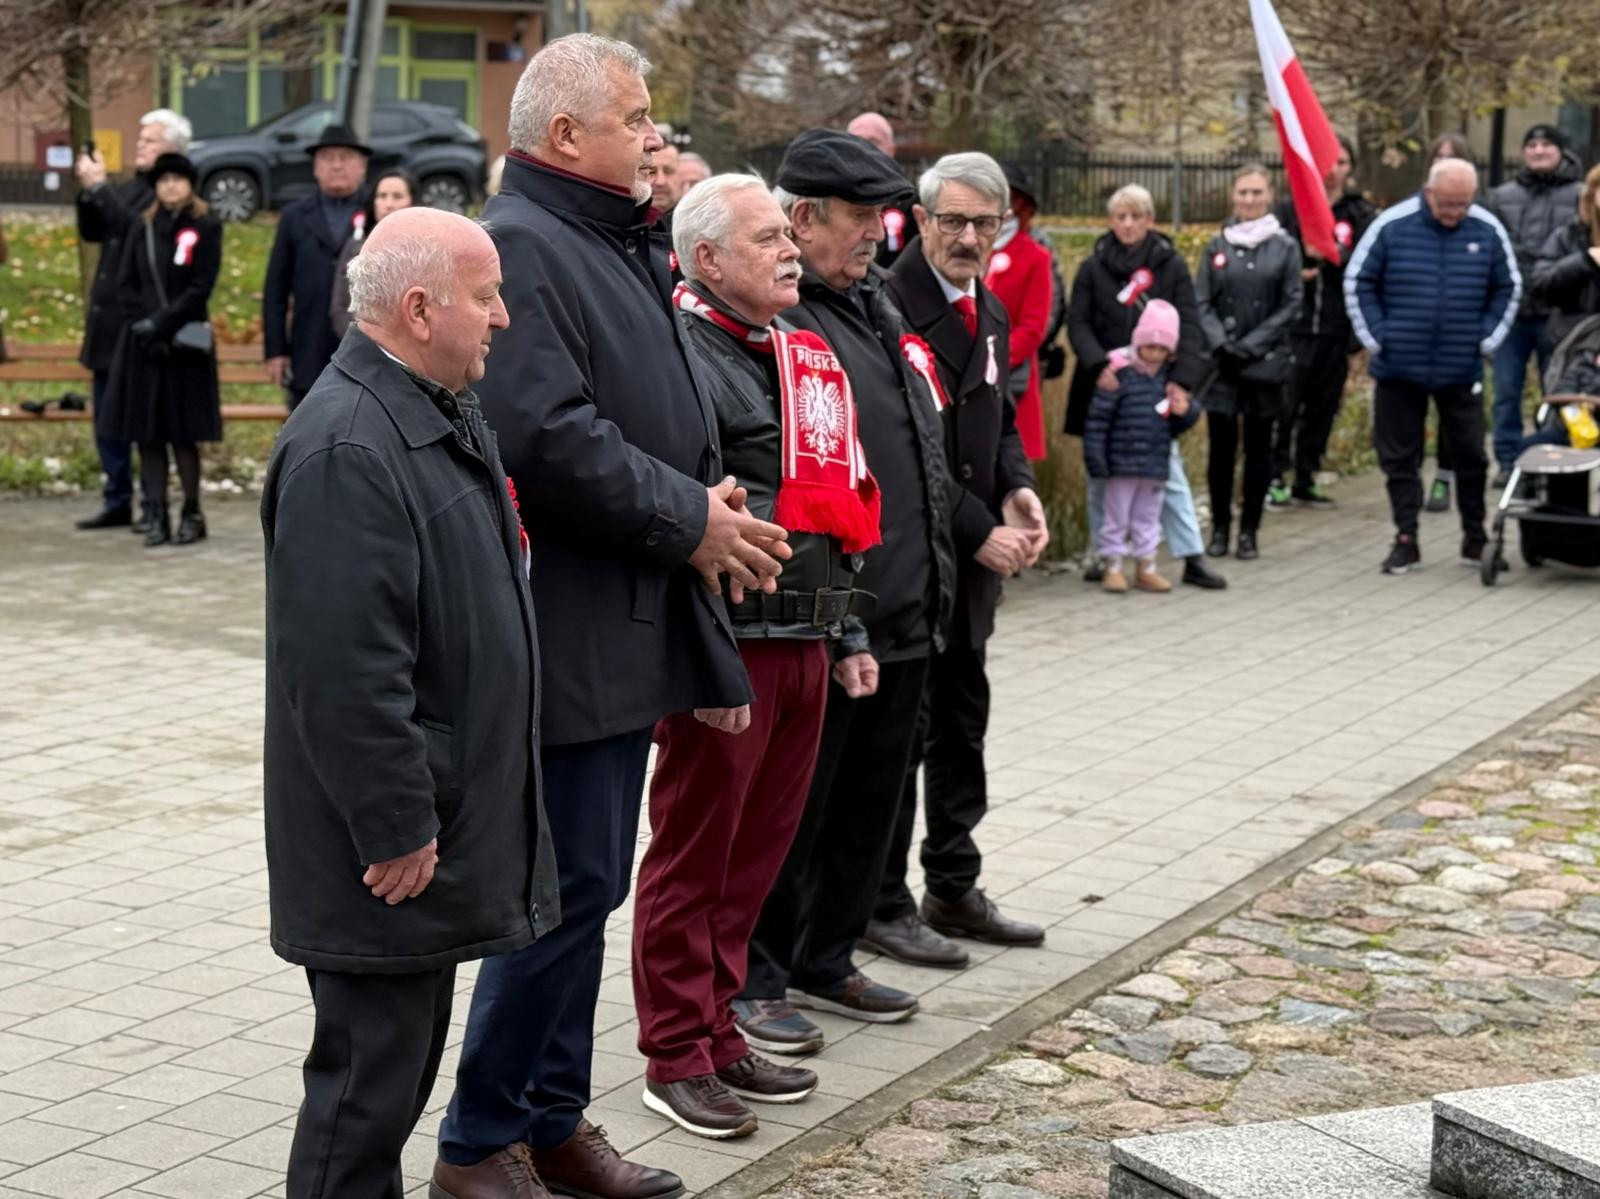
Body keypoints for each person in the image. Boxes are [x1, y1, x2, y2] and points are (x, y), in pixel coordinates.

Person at [434, 36, 786, 1199]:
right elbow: (544, 433)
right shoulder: (527, 242)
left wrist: (701, 490)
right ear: (566, 133)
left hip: (619, 617)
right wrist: (687, 515)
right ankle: (479, 1143)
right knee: (561, 894)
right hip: (568, 624)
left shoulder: (602, 235)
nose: (653, 136)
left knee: (586, 888)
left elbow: (634, 405)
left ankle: (550, 1122)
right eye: (634, 118)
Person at [261, 207, 557, 1199]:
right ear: (421, 309)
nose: (503, 317)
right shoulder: (349, 444)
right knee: (362, 1098)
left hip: (430, 825)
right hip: (385, 852)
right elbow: (343, 669)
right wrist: (396, 821)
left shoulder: (429, 409)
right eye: (486, 296)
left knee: (390, 1082)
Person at [633, 174, 880, 1139]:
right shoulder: (677, 352)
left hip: (804, 634)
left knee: (757, 857)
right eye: (767, 237)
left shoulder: (794, 346)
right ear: (705, 259)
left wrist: (846, 631)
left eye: (788, 233)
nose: (790, 250)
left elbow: (833, 505)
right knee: (696, 853)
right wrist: (705, 661)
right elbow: (682, 517)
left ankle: (720, 1024)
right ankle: (674, 1051)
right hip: (729, 643)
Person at [741, 128, 958, 1041]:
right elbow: (804, 486)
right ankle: (758, 977)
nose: (879, 231)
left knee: (872, 805)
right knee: (797, 810)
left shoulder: (875, 301)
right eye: (861, 216)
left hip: (905, 606)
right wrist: (837, 624)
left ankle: (828, 956)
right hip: (832, 618)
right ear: (803, 217)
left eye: (882, 215)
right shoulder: (789, 322)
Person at [871, 151, 1049, 962]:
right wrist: (979, 526)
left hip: (969, 573)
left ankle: (952, 883)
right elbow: (907, 449)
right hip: (914, 563)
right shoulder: (888, 306)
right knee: (898, 742)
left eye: (985, 224)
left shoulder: (989, 306)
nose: (969, 238)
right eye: (953, 221)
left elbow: (997, 417)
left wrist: (1020, 489)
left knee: (961, 730)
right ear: (921, 219)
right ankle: (881, 902)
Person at [1345, 157, 1521, 574]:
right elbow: (1358, 281)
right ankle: (1406, 538)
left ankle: (1475, 539)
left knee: (1471, 456)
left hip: (1460, 365)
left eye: (1462, 204)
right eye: (1446, 204)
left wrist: (1485, 339)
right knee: (1399, 458)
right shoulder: (1392, 225)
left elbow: (1509, 286)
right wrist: (1378, 338)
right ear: (1429, 193)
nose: (1454, 212)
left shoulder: (1487, 229)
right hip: (1398, 365)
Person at [1066, 184, 1226, 590]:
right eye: (1120, 217)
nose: (1128, 224)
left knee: (1167, 473)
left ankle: (1190, 555)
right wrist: (1098, 364)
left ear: (1150, 220)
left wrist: (1181, 381)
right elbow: (1078, 322)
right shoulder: (1093, 266)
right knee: (1101, 475)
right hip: (1106, 384)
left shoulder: (1170, 265)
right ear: (1110, 221)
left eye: (1136, 217)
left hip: (1154, 386)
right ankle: (1106, 556)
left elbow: (1189, 323)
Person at [72, 108, 190, 532]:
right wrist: (89, 193)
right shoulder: (128, 188)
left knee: (138, 417)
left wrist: (99, 188)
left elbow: (131, 226)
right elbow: (95, 230)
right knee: (106, 417)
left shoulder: (167, 196)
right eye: (139, 140)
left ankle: (149, 502)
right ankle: (115, 496)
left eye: (149, 140)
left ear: (173, 149)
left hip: (137, 326)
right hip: (106, 323)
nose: (139, 146)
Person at [98, 153, 221, 548]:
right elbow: (125, 281)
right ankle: (155, 511)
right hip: (145, 347)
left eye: (177, 179)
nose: (170, 185)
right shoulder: (143, 225)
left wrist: (162, 322)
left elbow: (201, 286)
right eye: (164, 179)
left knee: (183, 435)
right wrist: (141, 322)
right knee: (148, 434)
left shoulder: (205, 225)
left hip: (184, 345)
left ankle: (191, 512)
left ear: (190, 184)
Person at [1195, 164, 1303, 561]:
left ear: (1269, 196)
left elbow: (1291, 304)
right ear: (1233, 196)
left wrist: (1253, 345)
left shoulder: (1285, 247)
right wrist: (1221, 343)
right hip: (1224, 363)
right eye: (1243, 192)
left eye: (1257, 192)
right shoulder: (1217, 245)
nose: (1250, 200)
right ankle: (1220, 529)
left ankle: (1249, 532)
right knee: (1221, 452)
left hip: (1264, 362)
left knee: (1259, 450)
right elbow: (1201, 301)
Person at [1270, 133, 1377, 508]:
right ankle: (1275, 475)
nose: (1333, 171)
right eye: (1327, 161)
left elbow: (1367, 267)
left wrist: (1333, 255)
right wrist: (1297, 266)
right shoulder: (1289, 210)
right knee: (1286, 405)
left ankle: (1307, 475)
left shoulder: (1359, 214)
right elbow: (1273, 258)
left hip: (1335, 329)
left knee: (1323, 407)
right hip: (1295, 330)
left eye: (1341, 163)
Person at [1484, 124, 1583, 482]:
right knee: (1506, 392)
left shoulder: (1580, 195)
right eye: (1532, 145)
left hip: (1559, 315)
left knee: (1556, 392)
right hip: (1513, 312)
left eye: (1546, 145)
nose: (1539, 151)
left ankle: (1548, 461)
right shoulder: (1501, 196)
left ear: (1560, 151)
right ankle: (1508, 462)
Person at [1084, 300, 1201, 593]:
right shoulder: (1118, 374)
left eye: (1163, 349)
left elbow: (1178, 426)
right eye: (1151, 347)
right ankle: (1112, 565)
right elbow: (1098, 420)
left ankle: (1146, 566)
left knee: (1148, 518)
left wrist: (1186, 411)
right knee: (1116, 516)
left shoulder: (1168, 380)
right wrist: (1096, 458)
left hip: (1153, 465)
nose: (1156, 354)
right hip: (1121, 464)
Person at [263, 124, 372, 410]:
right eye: (327, 157)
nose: (336, 165)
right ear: (315, 167)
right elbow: (276, 287)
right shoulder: (294, 216)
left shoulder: (376, 210)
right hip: (307, 346)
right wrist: (275, 350)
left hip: (364, 345)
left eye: (345, 157)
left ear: (362, 166)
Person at [1420, 134, 1476, 513]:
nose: (1446, 162)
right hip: (1414, 338)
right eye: (1439, 157)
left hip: (1459, 340)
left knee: (1455, 422)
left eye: (1454, 157)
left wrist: (1484, 335)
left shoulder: (1481, 221)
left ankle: (1445, 475)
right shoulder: (1411, 215)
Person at [985, 162, 1055, 460]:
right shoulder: (969, 248)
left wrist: (990, 359)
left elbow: (1033, 327)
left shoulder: (1035, 257)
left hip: (1010, 376)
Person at [331, 167, 418, 340]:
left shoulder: (427, 249)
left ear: (412, 203)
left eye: (397, 196)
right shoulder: (355, 247)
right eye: (382, 196)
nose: (388, 204)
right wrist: (361, 342)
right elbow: (339, 307)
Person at [1531, 163, 1600, 349]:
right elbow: (1541, 285)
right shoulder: (1569, 235)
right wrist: (1585, 260)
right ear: (1592, 195)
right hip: (1573, 342)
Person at [847, 112, 916, 268]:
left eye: (873, 142)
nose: (864, 149)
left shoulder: (909, 200)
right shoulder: (831, 197)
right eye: (857, 141)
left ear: (891, 149)